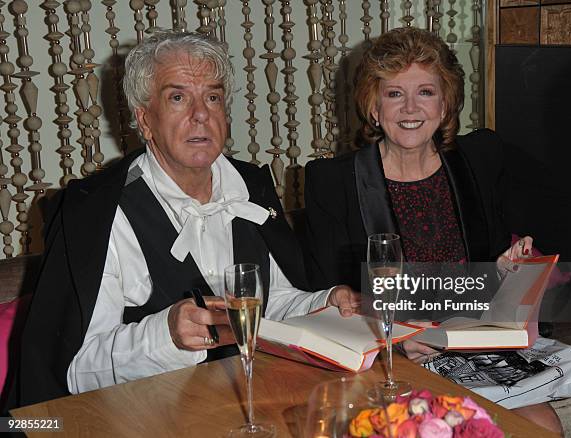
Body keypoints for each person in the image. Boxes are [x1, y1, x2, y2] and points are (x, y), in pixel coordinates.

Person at [16, 30, 358, 407]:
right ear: (144, 120)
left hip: (249, 403)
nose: (201, 115)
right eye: (178, 98)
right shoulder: (95, 213)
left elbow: (269, 303)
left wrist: (323, 304)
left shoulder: (251, 186)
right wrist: (167, 335)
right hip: (145, 418)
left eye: (213, 97)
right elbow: (78, 371)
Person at [303, 27, 562, 432]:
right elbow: (324, 297)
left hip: (473, 345)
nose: (410, 108)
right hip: (388, 358)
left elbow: (492, 273)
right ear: (373, 107)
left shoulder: (480, 158)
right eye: (394, 94)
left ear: (445, 104)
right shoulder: (331, 182)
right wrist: (397, 338)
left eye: (425, 92)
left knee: (542, 425)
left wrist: (512, 269)